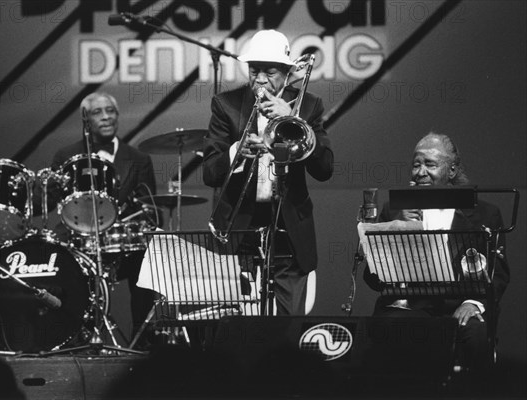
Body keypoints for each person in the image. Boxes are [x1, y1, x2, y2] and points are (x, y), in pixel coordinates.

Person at [203, 30, 334, 315]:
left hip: (288, 229)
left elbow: (324, 169)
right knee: (240, 326)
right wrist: (237, 151)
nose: (260, 79)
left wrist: (293, 120)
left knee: (286, 327)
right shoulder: (226, 104)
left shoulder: (309, 105)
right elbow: (210, 174)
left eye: (270, 72)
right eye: (254, 70)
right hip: (241, 228)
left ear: (287, 72)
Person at [363, 132, 510, 380]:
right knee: (388, 330)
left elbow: (499, 274)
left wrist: (472, 303)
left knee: (474, 335)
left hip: (459, 305)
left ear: (451, 170)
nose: (420, 172)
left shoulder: (485, 214)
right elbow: (373, 279)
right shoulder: (394, 210)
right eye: (416, 164)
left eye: (430, 164)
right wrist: (402, 227)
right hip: (408, 307)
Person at [49, 92, 159, 342]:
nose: (106, 117)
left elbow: (150, 208)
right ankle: (72, 339)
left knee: (148, 260)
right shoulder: (66, 155)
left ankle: (142, 343)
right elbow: (53, 201)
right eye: (98, 112)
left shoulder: (139, 159)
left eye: (111, 111)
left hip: (124, 242)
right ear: (85, 120)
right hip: (80, 240)